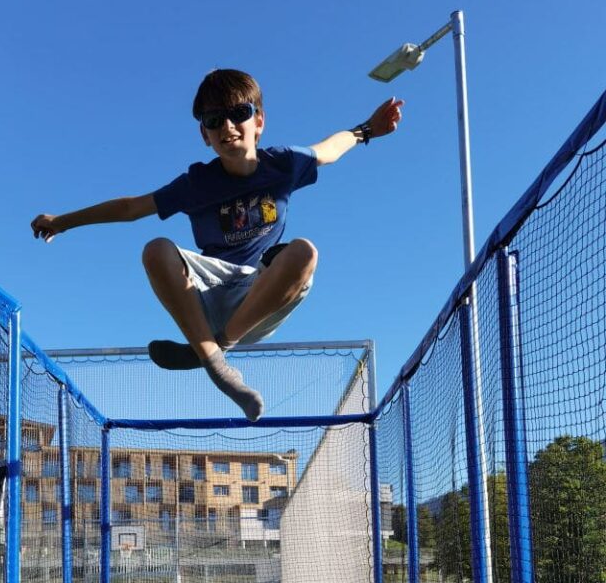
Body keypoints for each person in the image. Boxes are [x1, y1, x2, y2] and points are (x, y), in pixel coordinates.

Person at [31, 69, 403, 420]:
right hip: (209, 292)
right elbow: (131, 208)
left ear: (258, 121)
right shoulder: (197, 183)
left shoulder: (284, 164)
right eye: (214, 120)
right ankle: (212, 355)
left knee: (303, 251)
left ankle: (214, 351)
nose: (227, 126)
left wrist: (368, 129)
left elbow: (330, 149)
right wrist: (62, 222)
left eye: (238, 113)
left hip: (260, 296)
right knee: (156, 249)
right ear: (204, 135)